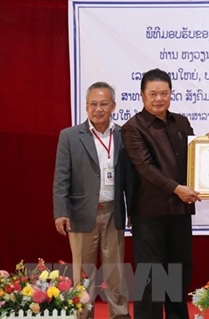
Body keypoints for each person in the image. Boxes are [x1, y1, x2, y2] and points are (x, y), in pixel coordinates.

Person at [121, 68, 201, 319]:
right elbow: (145, 167)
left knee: (178, 273)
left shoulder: (181, 122)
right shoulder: (133, 127)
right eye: (153, 93)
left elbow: (194, 158)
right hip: (149, 213)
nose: (159, 99)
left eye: (164, 93)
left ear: (171, 94)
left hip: (179, 212)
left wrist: (208, 146)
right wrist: (177, 189)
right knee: (151, 277)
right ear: (142, 95)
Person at [53, 82, 132, 319]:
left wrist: (133, 209)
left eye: (104, 104)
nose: (99, 109)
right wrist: (60, 211)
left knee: (115, 270)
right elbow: (61, 177)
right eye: (94, 104)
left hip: (113, 211)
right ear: (86, 107)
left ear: (113, 106)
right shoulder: (69, 136)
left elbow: (131, 176)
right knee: (83, 272)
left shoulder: (123, 135)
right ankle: (82, 314)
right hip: (81, 213)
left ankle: (119, 314)